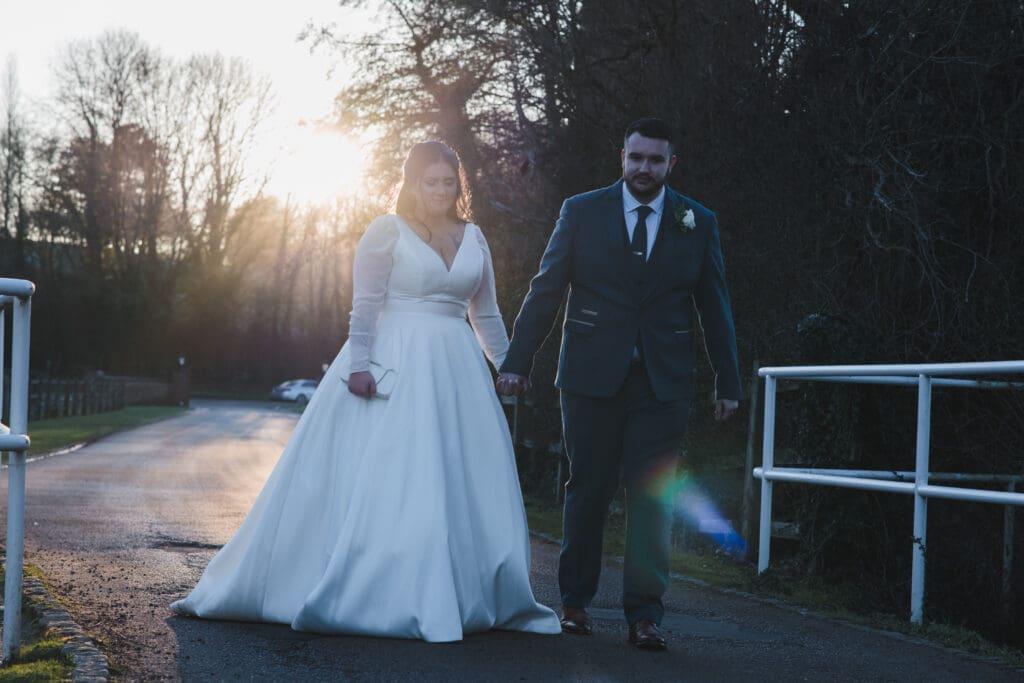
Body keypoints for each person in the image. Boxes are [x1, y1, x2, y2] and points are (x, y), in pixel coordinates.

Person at [172, 141, 560, 642]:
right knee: (400, 476)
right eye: (430, 181)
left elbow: (483, 314)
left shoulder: (475, 237)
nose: (440, 191)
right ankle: (388, 587)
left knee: (461, 475)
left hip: (458, 370)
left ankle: (466, 591)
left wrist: (509, 365)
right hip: (394, 360)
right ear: (411, 183)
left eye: (449, 182)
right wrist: (359, 365)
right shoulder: (386, 231)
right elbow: (366, 305)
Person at [496, 117, 741, 651]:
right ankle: (575, 604)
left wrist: (728, 379)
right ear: (622, 158)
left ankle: (644, 616)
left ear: (670, 165)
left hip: (664, 382)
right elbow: (546, 289)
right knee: (587, 489)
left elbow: (714, 305)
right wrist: (518, 360)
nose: (644, 168)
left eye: (656, 160)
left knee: (653, 497)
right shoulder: (581, 211)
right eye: (637, 158)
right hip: (589, 376)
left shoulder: (696, 221)